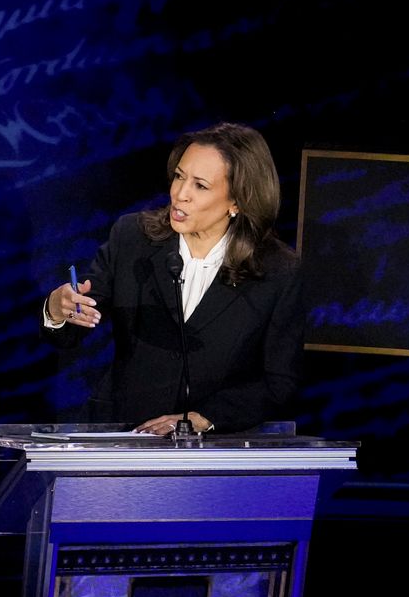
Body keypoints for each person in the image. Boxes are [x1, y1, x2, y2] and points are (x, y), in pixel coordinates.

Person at [43, 122, 305, 436]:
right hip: (122, 436)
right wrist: (58, 309)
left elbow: (279, 382)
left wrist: (203, 419)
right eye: (180, 177)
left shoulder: (277, 270)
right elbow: (75, 321)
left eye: (200, 185)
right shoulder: (133, 237)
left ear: (238, 201)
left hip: (215, 452)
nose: (179, 194)